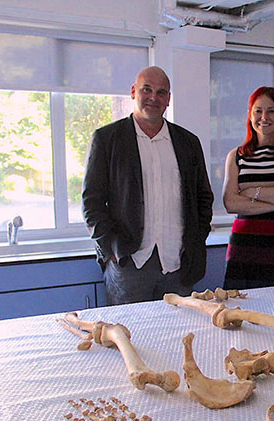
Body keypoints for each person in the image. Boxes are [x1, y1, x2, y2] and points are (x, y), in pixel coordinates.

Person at [82, 66, 214, 305]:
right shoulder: (107, 139)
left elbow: (203, 198)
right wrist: (112, 249)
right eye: (147, 90)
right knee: (130, 336)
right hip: (129, 265)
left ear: (168, 100)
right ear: (134, 92)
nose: (154, 97)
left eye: (161, 92)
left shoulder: (188, 143)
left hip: (179, 265)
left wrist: (197, 238)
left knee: (180, 335)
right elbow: (91, 202)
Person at [222, 86, 274, 289]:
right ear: (250, 115)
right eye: (258, 110)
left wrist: (252, 193)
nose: (264, 117)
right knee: (241, 312)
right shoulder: (236, 155)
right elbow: (230, 203)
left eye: (271, 111)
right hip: (243, 246)